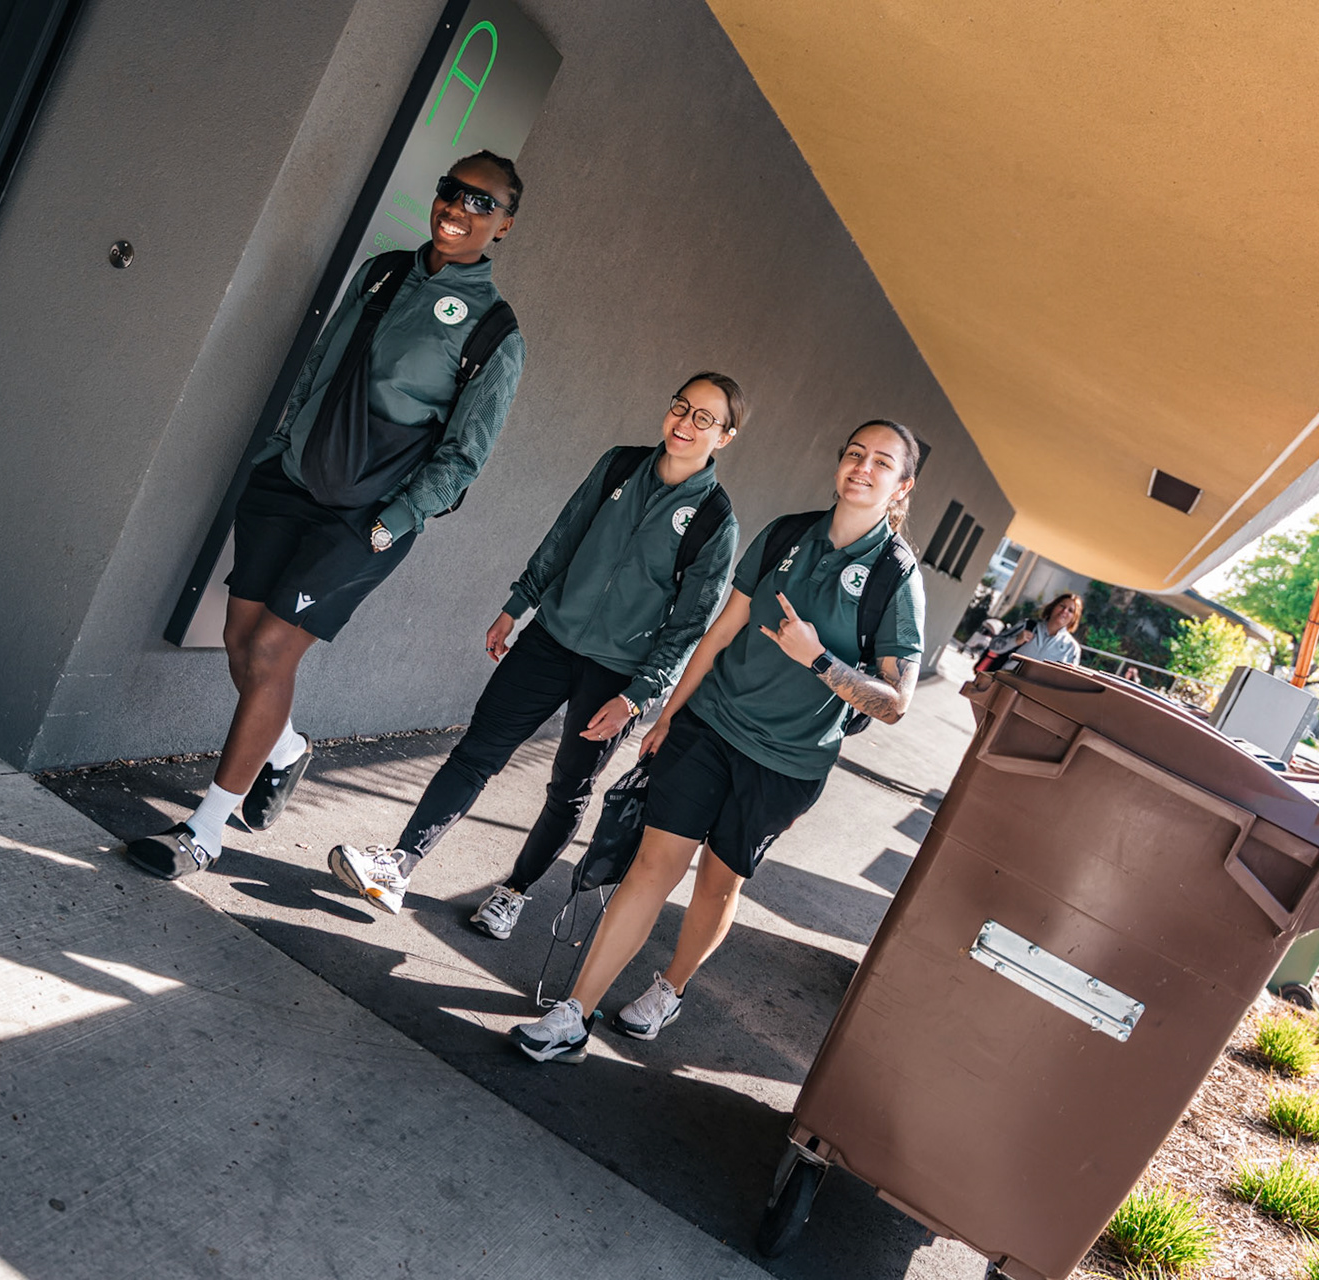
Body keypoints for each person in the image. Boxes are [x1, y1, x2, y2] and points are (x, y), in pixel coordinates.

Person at [126, 152, 527, 879]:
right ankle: (284, 749)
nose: (457, 207)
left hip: (365, 517)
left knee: (273, 653)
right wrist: (278, 446)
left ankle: (205, 833)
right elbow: (319, 363)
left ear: (502, 224)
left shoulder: (494, 332)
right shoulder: (381, 271)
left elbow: (466, 455)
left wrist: (395, 520)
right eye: (450, 190)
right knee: (240, 640)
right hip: (289, 481)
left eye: (479, 201)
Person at [509, 420, 928, 1063]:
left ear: (902, 486)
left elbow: (896, 703)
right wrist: (670, 715)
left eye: (882, 462)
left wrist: (819, 661)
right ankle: (573, 1014)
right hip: (709, 725)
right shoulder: (787, 534)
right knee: (653, 865)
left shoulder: (896, 578)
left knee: (716, 885)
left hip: (785, 762)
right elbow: (721, 630)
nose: (862, 468)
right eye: (854, 453)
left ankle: (671, 987)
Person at [325, 374, 746, 928]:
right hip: (549, 639)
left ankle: (514, 893)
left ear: (725, 436)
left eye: (703, 419)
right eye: (680, 408)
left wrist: (639, 696)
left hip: (617, 676)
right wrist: (518, 602)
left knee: (569, 788)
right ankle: (400, 864)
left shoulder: (716, 521)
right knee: (477, 753)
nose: (685, 423)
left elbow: (690, 623)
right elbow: (565, 535)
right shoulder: (619, 465)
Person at [980, 592, 1083, 668]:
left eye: (1070, 610)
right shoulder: (1027, 626)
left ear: (1074, 618)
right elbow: (993, 646)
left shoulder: (1071, 648)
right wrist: (1015, 641)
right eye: (1062, 606)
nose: (1064, 611)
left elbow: (1068, 680)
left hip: (1035, 695)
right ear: (1053, 607)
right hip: (1006, 685)